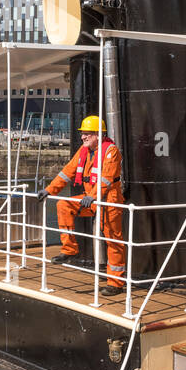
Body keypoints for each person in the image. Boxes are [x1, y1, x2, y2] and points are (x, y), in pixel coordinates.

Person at [36, 115, 125, 297]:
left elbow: (106, 178)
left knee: (113, 240)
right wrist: (49, 190)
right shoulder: (83, 151)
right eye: (83, 134)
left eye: (87, 134)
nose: (83, 137)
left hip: (109, 200)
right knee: (63, 205)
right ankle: (70, 249)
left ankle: (115, 283)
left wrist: (92, 196)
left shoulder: (111, 152)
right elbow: (67, 172)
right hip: (90, 198)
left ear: (98, 135)